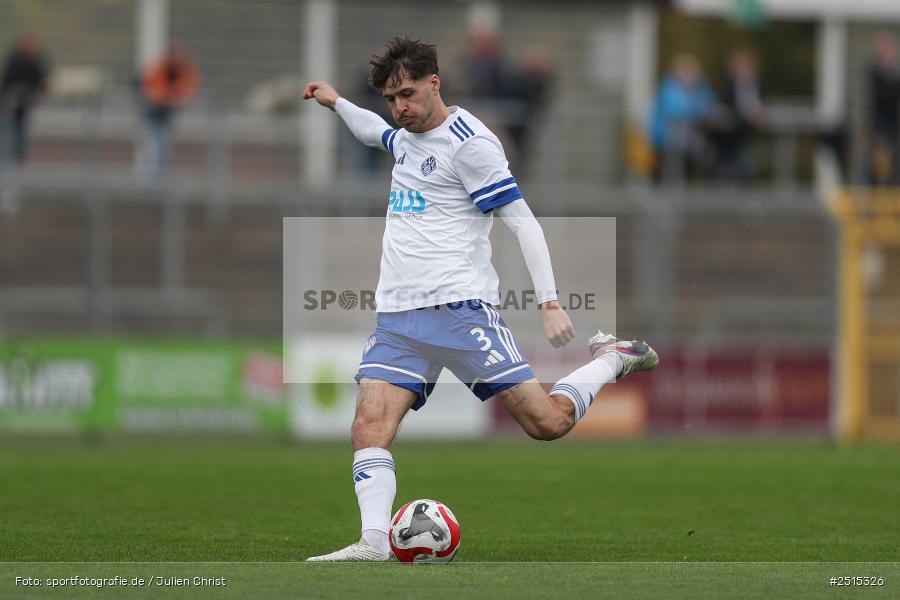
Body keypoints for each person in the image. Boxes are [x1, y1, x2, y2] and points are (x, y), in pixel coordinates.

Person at [302, 37, 659, 561]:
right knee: (368, 425)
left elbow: (522, 222)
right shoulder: (403, 137)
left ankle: (611, 359)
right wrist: (336, 102)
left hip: (460, 311)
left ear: (434, 83)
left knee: (548, 424)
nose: (399, 106)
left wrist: (549, 301)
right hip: (399, 317)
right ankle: (374, 542)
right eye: (390, 98)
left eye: (406, 93)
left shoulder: (471, 143)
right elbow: (372, 132)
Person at [648, 54, 717, 184]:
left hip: (690, 137)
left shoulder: (700, 88)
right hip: (667, 137)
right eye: (686, 71)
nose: (689, 75)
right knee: (671, 165)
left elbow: (709, 105)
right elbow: (672, 110)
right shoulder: (669, 87)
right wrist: (695, 112)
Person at [139, 42, 199, 182]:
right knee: (156, 148)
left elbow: (190, 90)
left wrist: (175, 96)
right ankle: (153, 181)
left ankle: (160, 180)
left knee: (164, 149)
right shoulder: (159, 69)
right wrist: (166, 97)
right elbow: (152, 92)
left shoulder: (183, 71)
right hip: (154, 115)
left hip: (170, 117)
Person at [713, 49, 765, 182]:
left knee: (745, 167)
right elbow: (723, 106)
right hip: (728, 134)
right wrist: (743, 113)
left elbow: (761, 103)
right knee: (728, 165)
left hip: (747, 134)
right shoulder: (727, 84)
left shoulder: (757, 84)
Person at [0, 32, 49, 165]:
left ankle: (18, 155)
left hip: (25, 100)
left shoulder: (37, 61)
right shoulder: (15, 59)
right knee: (10, 127)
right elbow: (7, 79)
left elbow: (41, 81)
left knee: (20, 128)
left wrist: (40, 93)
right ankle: (10, 154)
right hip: (13, 99)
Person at [867, 31, 900, 185]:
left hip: (893, 119)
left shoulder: (894, 72)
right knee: (878, 153)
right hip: (879, 119)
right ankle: (876, 183)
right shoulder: (875, 71)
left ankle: (889, 183)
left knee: (891, 154)